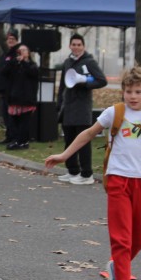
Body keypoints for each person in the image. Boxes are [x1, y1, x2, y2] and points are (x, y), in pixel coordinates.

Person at [44, 64, 141, 280]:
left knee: (137, 241)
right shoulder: (114, 113)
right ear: (123, 92)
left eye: (138, 92)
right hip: (117, 179)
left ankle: (116, 267)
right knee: (121, 238)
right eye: (128, 91)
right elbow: (88, 134)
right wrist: (64, 155)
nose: (133, 96)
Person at [56, 33, 107, 184]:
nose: (76, 47)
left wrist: (85, 82)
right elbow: (62, 85)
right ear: (69, 46)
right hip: (68, 107)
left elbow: (102, 80)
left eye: (79, 45)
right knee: (69, 140)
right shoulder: (67, 62)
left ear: (83, 46)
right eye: (74, 44)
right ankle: (72, 171)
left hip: (82, 108)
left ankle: (86, 174)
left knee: (83, 142)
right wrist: (59, 103)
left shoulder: (89, 62)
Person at [2, 44, 38, 150]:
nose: (21, 52)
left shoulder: (32, 65)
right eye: (19, 50)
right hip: (14, 97)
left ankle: (23, 142)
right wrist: (13, 62)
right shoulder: (14, 64)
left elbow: (32, 73)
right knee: (14, 121)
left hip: (26, 98)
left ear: (28, 53)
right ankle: (15, 140)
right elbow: (4, 72)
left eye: (24, 50)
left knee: (24, 122)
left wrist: (23, 62)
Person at [0, 29, 21, 145]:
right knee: (5, 115)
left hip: (12, 91)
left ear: (17, 40)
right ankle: (9, 136)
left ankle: (14, 137)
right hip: (4, 91)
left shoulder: (17, 54)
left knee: (11, 116)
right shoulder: (6, 54)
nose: (10, 41)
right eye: (9, 39)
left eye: (13, 39)